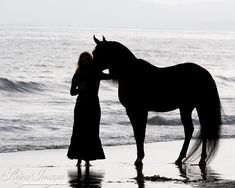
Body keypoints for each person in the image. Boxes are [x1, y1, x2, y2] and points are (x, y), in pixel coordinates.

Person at [67, 51, 110, 167]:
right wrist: (80, 89)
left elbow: (110, 76)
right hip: (81, 105)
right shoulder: (78, 74)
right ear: (81, 62)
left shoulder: (97, 72)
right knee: (79, 131)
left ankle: (88, 159)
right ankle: (79, 159)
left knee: (92, 131)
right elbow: (72, 92)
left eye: (88, 60)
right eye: (84, 60)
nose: (87, 62)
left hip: (94, 105)